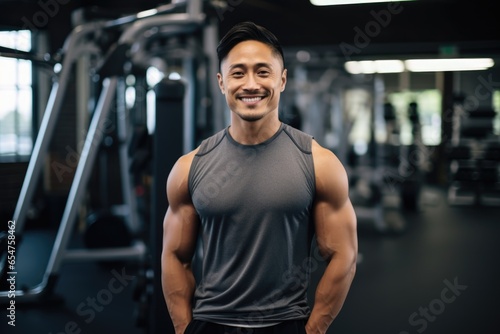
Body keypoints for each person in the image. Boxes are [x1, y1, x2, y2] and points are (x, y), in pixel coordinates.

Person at [161, 21, 358, 334]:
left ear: (282, 80)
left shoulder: (319, 162)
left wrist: (315, 329)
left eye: (262, 72)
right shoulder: (190, 167)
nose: (250, 84)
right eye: (238, 73)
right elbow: (174, 255)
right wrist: (184, 328)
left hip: (285, 323)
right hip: (211, 323)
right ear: (221, 82)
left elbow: (343, 255)